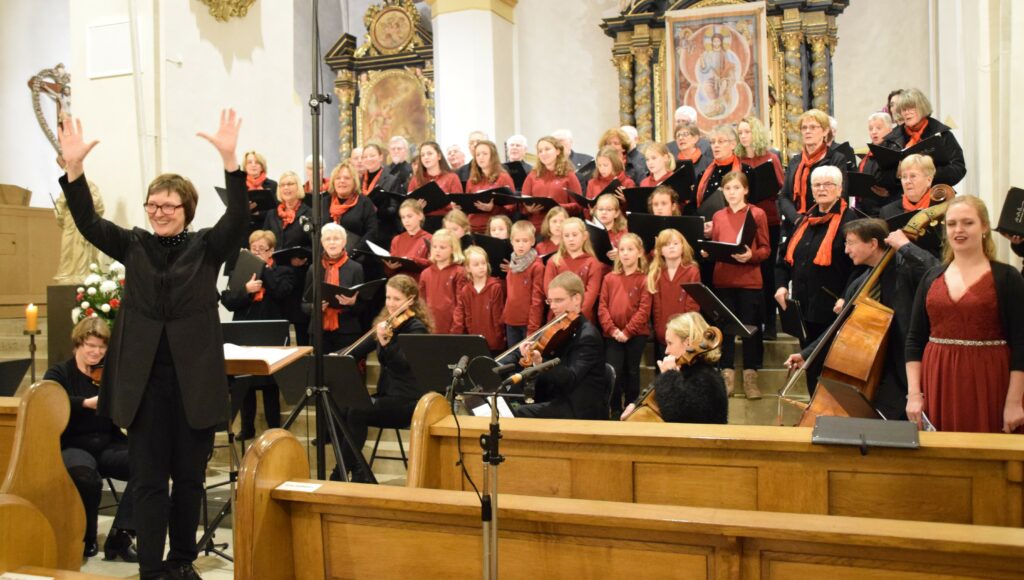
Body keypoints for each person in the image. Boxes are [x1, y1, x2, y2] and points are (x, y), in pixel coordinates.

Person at [59, 109, 247, 579]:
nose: (159, 213)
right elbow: (86, 220)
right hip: (143, 388)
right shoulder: (134, 245)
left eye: (168, 206)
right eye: (152, 205)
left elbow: (240, 216)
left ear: (186, 210)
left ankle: (182, 562)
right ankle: (150, 569)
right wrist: (75, 171)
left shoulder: (207, 247)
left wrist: (229, 160)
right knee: (146, 482)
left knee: (187, 481)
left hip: (194, 386)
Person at [784, 218, 939, 420]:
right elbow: (840, 326)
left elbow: (936, 272)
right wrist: (807, 354)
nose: (846, 250)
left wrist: (906, 246)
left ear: (873, 243)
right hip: (875, 372)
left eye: (850, 243)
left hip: (905, 369)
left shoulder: (906, 269)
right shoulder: (860, 284)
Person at [906, 196, 1024, 434]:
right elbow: (914, 340)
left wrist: (1014, 402)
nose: (958, 230)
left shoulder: (1008, 277)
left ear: (983, 227)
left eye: (967, 223)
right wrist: (914, 395)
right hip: (938, 378)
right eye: (951, 224)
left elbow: (1021, 344)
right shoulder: (931, 277)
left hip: (990, 378)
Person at [44, 318, 137, 562]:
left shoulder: (109, 373)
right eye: (91, 345)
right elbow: (49, 402)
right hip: (74, 444)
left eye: (102, 348)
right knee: (86, 479)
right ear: (78, 343)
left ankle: (121, 534)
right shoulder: (59, 372)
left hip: (107, 444)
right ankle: (88, 536)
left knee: (148, 464)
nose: (97, 352)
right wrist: (85, 403)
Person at [345, 275, 435, 482]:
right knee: (343, 407)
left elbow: (404, 364)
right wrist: (332, 356)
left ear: (410, 300)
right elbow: (357, 349)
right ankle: (359, 472)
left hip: (408, 401)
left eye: (396, 299)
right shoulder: (387, 322)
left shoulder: (416, 329)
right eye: (388, 297)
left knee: (357, 411)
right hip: (388, 396)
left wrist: (387, 344)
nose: (391, 303)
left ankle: (345, 472)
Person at [775, 165, 856, 393]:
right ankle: (814, 412)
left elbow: (858, 267)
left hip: (833, 310)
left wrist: (846, 296)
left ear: (839, 189)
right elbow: (783, 259)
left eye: (828, 184)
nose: (822, 189)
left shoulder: (850, 221)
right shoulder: (803, 221)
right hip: (803, 309)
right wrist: (781, 286)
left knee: (831, 369)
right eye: (817, 185)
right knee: (809, 365)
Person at [220, 230, 295, 439]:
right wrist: (246, 289)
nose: (258, 252)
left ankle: (274, 429)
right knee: (245, 382)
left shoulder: (283, 271)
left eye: (263, 249)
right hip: (244, 331)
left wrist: (264, 268)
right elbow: (227, 301)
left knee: (270, 384)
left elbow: (281, 293)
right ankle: (247, 428)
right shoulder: (239, 270)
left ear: (272, 251)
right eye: (254, 249)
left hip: (270, 332)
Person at [702, 172, 769, 398]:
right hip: (723, 279)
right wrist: (708, 251)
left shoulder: (757, 213)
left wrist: (750, 256)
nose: (732, 192)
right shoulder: (719, 216)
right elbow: (717, 246)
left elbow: (766, 249)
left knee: (749, 329)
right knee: (726, 330)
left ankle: (750, 377)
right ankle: (727, 374)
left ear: (745, 190)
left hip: (749, 280)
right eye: (727, 188)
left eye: (736, 188)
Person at [514, 272, 608, 420]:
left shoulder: (587, 336)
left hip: (579, 408)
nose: (552, 306)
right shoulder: (562, 329)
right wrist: (533, 360)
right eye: (550, 301)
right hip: (558, 397)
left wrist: (541, 363)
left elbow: (570, 378)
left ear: (576, 299)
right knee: (511, 404)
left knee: (518, 413)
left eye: (558, 300)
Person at [621, 312, 728, 424]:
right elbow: (654, 398)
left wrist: (667, 375)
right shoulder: (682, 372)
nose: (666, 351)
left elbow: (677, 416)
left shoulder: (707, 379)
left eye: (670, 343)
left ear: (687, 343)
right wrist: (636, 405)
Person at [735, 115, 784, 339]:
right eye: (741, 132)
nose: (744, 136)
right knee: (748, 271)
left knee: (768, 273)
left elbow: (782, 189)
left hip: (770, 220)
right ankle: (751, 322)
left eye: (747, 131)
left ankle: (771, 325)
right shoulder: (739, 160)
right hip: (745, 219)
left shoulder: (770, 158)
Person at [598, 233, 652, 417]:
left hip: (636, 335)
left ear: (639, 253)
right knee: (614, 372)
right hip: (613, 335)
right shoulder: (609, 278)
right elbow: (602, 307)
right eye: (622, 250)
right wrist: (613, 330)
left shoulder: (644, 279)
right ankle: (614, 409)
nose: (626, 253)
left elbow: (644, 310)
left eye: (630, 249)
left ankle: (631, 408)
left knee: (632, 372)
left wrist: (628, 332)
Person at [881, 88, 967, 191]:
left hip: (935, 193)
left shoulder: (942, 134)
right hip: (902, 197)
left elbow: (958, 169)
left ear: (922, 108)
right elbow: (883, 176)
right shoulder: (892, 139)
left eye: (911, 108)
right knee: (886, 208)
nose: (907, 112)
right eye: (904, 109)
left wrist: (929, 173)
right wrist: (897, 174)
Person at [262, 170, 312, 345]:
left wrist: (303, 256)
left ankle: (305, 365)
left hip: (299, 274)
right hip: (276, 276)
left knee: (300, 325)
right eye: (283, 184)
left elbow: (315, 244)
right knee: (278, 326)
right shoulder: (271, 214)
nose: (286, 188)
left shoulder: (308, 213)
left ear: (298, 187)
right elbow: (265, 239)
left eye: (290, 184)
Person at [778, 109, 851, 229]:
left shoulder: (836, 159)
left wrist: (814, 217)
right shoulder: (795, 161)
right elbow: (784, 196)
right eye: (804, 128)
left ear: (825, 131)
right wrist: (796, 218)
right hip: (796, 223)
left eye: (813, 127)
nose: (807, 131)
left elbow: (841, 194)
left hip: (825, 221)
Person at [302, 223, 365, 353]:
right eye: (327, 239)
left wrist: (352, 303)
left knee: (343, 370)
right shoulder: (313, 268)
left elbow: (363, 306)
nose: (332, 242)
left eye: (336, 238)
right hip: (318, 330)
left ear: (344, 242)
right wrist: (315, 307)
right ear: (322, 243)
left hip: (346, 330)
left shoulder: (355, 268)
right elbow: (304, 305)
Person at [648, 228, 701, 363]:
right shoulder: (656, 273)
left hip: (685, 336)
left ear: (683, 247)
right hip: (663, 336)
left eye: (675, 243)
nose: (671, 247)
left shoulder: (692, 271)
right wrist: (662, 332)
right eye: (666, 244)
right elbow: (656, 309)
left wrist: (684, 332)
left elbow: (692, 305)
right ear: (659, 250)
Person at [878, 154, 946, 259]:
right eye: (904, 177)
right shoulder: (887, 212)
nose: (907, 181)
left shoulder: (941, 209)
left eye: (913, 176)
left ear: (928, 180)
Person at [541, 217, 605, 322]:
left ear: (584, 236)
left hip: (582, 319)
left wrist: (575, 317)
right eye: (566, 236)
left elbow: (590, 296)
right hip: (557, 319)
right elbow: (549, 292)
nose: (571, 239)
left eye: (575, 235)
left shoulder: (593, 263)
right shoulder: (554, 262)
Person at [452, 245, 506, 353]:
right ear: (468, 268)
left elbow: (498, 317)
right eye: (476, 265)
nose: (481, 267)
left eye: (483, 263)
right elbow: (468, 319)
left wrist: (499, 338)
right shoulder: (466, 291)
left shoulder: (495, 287)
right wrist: (473, 338)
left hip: (495, 344)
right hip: (476, 342)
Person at [521, 136, 582, 229]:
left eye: (547, 149)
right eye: (540, 151)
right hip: (537, 227)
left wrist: (557, 207)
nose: (543, 153)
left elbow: (578, 205)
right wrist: (528, 209)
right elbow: (522, 203)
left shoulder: (569, 175)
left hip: (560, 226)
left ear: (557, 151)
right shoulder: (532, 175)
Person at [324, 160, 378, 256]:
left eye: (347, 178)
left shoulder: (364, 202)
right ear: (333, 182)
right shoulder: (324, 202)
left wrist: (353, 252)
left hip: (356, 258)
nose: (342, 181)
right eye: (338, 178)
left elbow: (372, 232)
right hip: (327, 257)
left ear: (354, 181)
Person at [418, 228, 467, 334]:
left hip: (451, 327)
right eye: (434, 247)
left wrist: (456, 328)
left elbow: (461, 304)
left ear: (453, 249)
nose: (437, 250)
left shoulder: (459, 272)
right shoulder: (425, 274)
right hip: (431, 326)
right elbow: (421, 303)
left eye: (442, 247)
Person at [408, 140, 464, 231]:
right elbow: (409, 205)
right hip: (422, 223)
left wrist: (454, 206)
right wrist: (416, 208)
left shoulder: (452, 177)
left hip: (446, 224)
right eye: (423, 155)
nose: (426, 157)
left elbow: (459, 205)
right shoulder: (416, 180)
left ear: (439, 156)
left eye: (429, 154)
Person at [504, 220, 546, 340]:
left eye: (525, 241)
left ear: (532, 241)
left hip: (527, 323)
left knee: (526, 358)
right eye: (517, 241)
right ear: (511, 241)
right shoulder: (513, 262)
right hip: (511, 321)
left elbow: (537, 299)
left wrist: (533, 327)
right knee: (512, 357)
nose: (521, 245)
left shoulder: (537, 266)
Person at [464, 140, 515, 233]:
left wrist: (493, 209)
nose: (481, 157)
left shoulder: (503, 177)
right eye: (478, 155)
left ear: (493, 156)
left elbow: (512, 206)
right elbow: (468, 205)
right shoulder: (472, 180)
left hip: (494, 230)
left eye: (485, 154)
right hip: (473, 227)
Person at [694, 125, 746, 212]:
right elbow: (693, 206)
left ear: (733, 144)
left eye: (720, 141)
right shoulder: (704, 175)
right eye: (713, 142)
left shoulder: (745, 171)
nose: (716, 145)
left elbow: (752, 205)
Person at [856, 112, 896, 214]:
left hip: (884, 208)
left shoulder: (893, 151)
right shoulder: (867, 156)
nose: (874, 132)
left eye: (878, 128)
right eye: (871, 129)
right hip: (865, 209)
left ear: (890, 130)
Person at [387, 199, 432, 279]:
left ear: (420, 216)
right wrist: (390, 267)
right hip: (398, 283)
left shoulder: (429, 238)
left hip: (419, 284)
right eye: (403, 217)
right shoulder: (397, 240)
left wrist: (413, 259)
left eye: (409, 216)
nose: (406, 221)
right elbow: (390, 271)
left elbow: (433, 265)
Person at [585, 146, 634, 214]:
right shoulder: (592, 183)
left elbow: (633, 211)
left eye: (605, 165)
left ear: (614, 164)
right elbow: (586, 209)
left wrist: (625, 201)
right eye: (599, 165)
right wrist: (590, 211)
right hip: (597, 221)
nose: (602, 169)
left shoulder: (627, 183)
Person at [243, 150, 276, 233]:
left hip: (266, 229)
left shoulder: (272, 185)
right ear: (245, 166)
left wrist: (259, 213)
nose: (253, 165)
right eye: (249, 162)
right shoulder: (239, 185)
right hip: (243, 229)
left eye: (257, 162)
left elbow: (277, 210)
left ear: (262, 167)